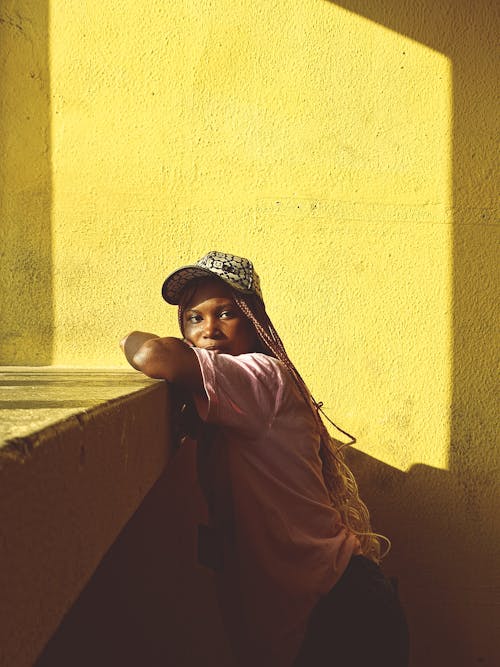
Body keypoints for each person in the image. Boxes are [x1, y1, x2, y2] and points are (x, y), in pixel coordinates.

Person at [120, 251, 409, 667]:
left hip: (341, 612)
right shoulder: (226, 402)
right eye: (194, 318)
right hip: (324, 611)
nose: (210, 331)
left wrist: (124, 338)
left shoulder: (259, 376)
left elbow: (151, 356)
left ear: (254, 322)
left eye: (226, 313)